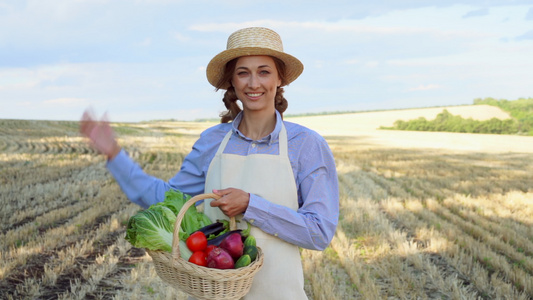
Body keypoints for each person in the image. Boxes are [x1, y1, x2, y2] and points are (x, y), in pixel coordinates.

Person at [80, 27, 339, 300]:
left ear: (279, 79)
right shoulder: (212, 142)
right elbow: (167, 199)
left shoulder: (306, 145)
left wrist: (252, 205)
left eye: (264, 71)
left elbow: (319, 231)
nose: (253, 83)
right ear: (232, 81)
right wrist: (114, 154)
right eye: (243, 72)